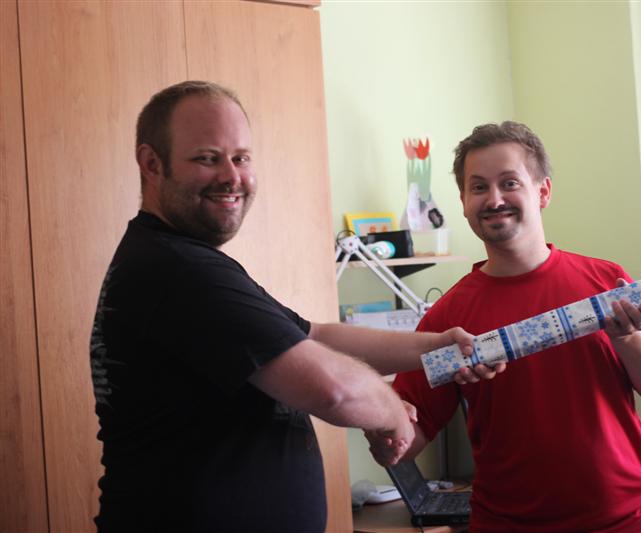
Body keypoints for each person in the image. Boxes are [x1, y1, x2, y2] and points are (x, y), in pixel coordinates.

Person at [89, 81, 502, 533]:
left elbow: (314, 336)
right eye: (207, 158)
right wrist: (390, 411)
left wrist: (434, 347)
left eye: (241, 158)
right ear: (152, 164)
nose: (231, 176)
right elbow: (333, 390)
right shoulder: (179, 270)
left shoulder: (183, 261)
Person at [366, 121, 641, 533]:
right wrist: (377, 423)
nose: (494, 199)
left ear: (543, 192)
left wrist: (628, 337)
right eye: (479, 187)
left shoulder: (606, 283)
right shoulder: (448, 319)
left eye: (510, 183)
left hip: (632, 521)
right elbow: (404, 443)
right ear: (464, 202)